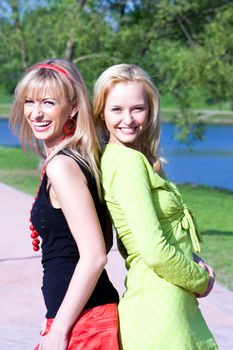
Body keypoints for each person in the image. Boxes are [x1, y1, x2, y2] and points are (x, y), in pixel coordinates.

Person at [93, 63, 218, 349]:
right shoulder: (127, 163)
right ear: (101, 112)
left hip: (166, 299)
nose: (128, 119)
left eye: (138, 108)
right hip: (159, 307)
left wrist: (193, 260)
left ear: (150, 111)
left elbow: (140, 237)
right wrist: (201, 280)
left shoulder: (127, 157)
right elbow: (154, 250)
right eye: (116, 109)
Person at [10, 59, 119, 350]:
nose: (36, 112)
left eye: (48, 102)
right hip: (80, 318)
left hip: (84, 322)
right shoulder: (75, 159)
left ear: (72, 107)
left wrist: (59, 328)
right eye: (29, 102)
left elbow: (95, 255)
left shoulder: (63, 166)